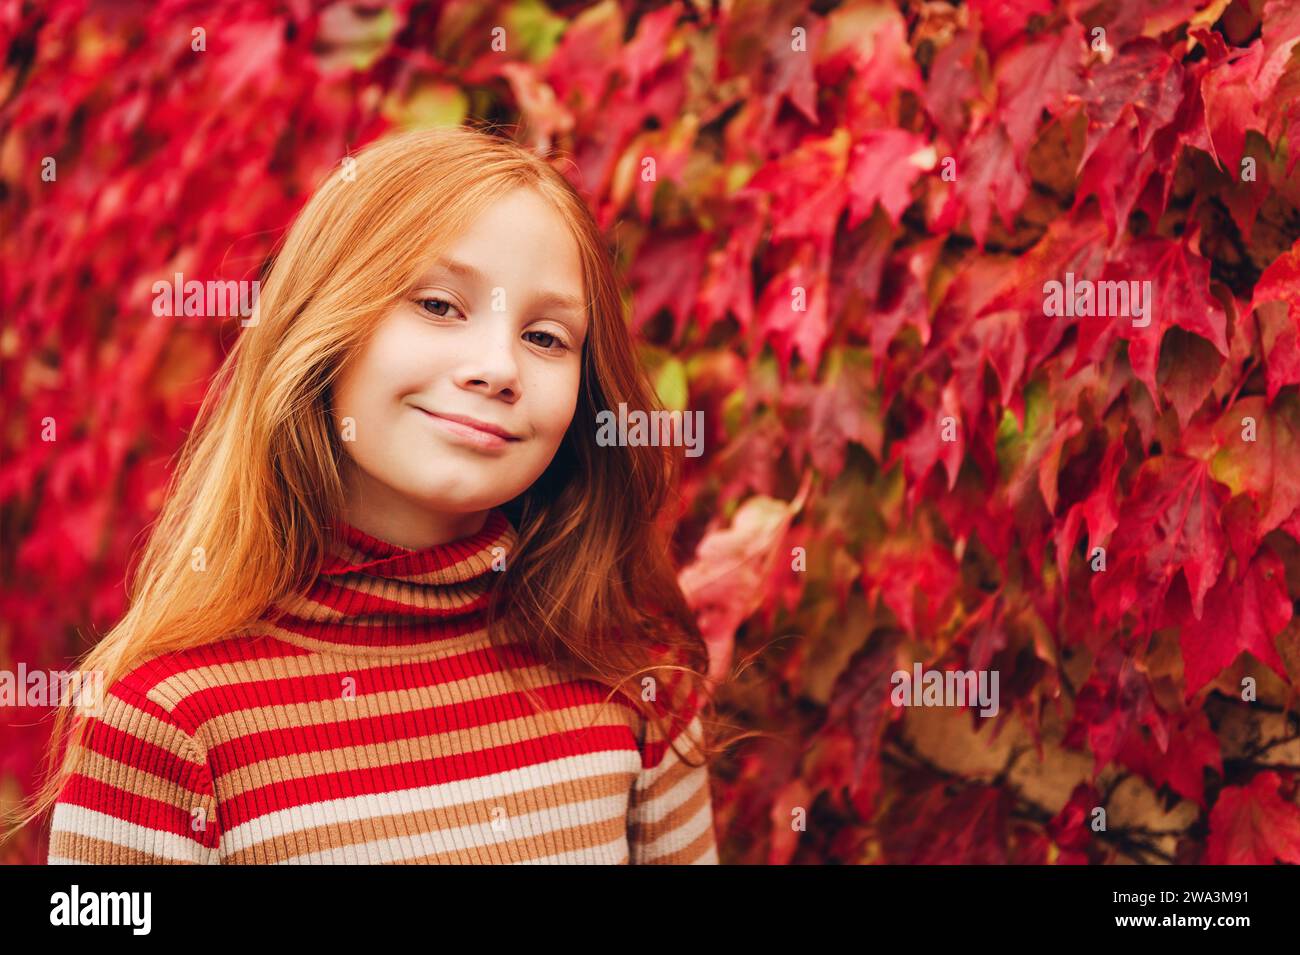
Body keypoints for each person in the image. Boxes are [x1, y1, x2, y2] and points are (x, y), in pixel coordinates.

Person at [13, 124, 722, 864]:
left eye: (546, 337)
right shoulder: (169, 721)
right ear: (326, 326)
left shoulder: (636, 678)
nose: (497, 366)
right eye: (440, 305)